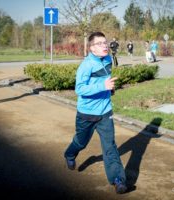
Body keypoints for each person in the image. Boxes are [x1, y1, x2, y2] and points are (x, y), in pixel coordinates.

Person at [64, 32, 127, 194]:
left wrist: (110, 89)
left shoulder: (107, 59)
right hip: (86, 113)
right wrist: (102, 86)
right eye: (99, 43)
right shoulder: (86, 65)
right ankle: (70, 154)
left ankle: (118, 179)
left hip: (105, 111)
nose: (105, 45)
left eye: (105, 42)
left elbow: (105, 79)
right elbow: (79, 89)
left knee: (110, 146)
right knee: (81, 142)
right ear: (91, 48)